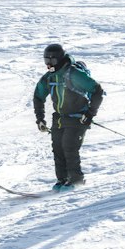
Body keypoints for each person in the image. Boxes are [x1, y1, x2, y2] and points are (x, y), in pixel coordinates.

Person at [33, 43, 104, 190]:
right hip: (59, 118)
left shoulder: (73, 74)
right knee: (58, 148)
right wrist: (40, 118)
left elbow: (97, 90)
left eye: (52, 61)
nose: (48, 65)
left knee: (69, 147)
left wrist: (90, 114)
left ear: (59, 59)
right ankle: (62, 180)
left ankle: (76, 180)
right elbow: (38, 96)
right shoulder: (49, 77)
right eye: (46, 61)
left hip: (78, 117)